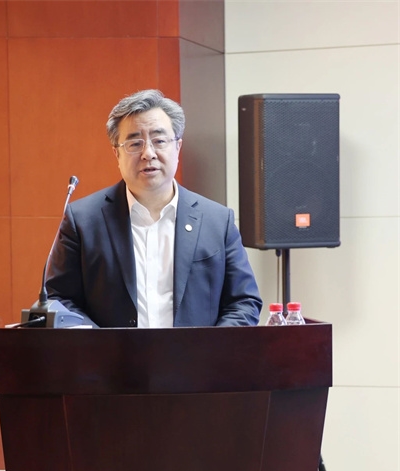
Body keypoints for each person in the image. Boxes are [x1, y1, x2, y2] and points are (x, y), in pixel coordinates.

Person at [46, 89, 262, 328]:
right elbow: (60, 299)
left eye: (159, 141)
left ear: (178, 147)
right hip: (110, 354)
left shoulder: (217, 222)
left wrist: (210, 348)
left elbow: (244, 302)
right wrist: (100, 345)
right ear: (116, 153)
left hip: (197, 354)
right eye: (134, 143)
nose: (148, 154)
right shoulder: (83, 221)